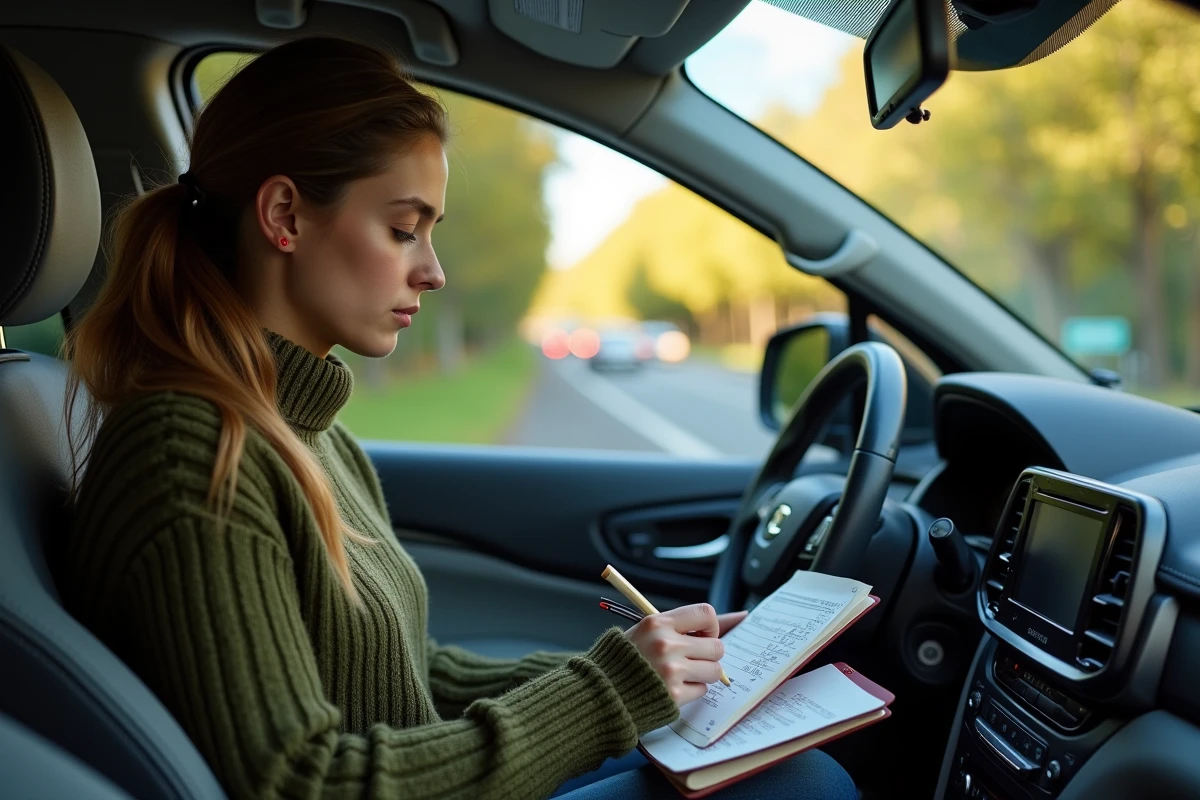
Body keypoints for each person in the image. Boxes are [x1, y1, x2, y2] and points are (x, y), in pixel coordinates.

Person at [60, 36, 857, 800]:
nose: (432, 269)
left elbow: (406, 676)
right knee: (805, 785)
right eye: (404, 229)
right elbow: (298, 782)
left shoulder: (306, 431)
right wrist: (608, 692)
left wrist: (646, 673)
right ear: (285, 215)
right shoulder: (192, 452)